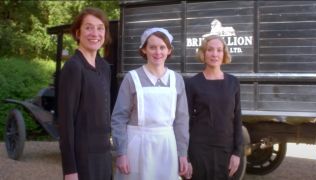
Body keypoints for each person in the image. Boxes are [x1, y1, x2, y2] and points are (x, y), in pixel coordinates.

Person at [111, 27, 190, 180]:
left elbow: (182, 121)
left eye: (162, 47)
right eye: (152, 47)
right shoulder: (132, 78)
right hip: (137, 147)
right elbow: (119, 118)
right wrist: (121, 152)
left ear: (169, 50)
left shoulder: (176, 80)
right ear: (144, 50)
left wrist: (182, 153)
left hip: (167, 147)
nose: (157, 52)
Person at [58, 7, 112, 180]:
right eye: (88, 27)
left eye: (100, 28)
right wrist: (70, 169)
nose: (95, 33)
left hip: (103, 155)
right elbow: (65, 123)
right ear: (77, 32)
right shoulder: (73, 67)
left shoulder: (104, 67)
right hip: (83, 157)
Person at [185, 35, 243, 180]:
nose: (214, 54)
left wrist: (237, 152)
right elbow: (185, 120)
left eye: (219, 50)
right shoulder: (192, 83)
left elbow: (237, 119)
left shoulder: (233, 82)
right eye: (210, 50)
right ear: (203, 53)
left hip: (226, 149)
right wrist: (185, 157)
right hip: (199, 149)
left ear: (224, 54)